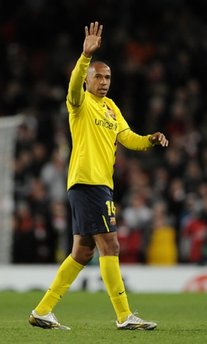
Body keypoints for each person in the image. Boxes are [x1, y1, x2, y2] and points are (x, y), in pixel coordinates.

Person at [29, 21, 169, 331]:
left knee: (82, 251)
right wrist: (85, 57)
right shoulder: (80, 104)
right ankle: (124, 315)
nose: (103, 82)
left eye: (107, 77)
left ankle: (43, 309)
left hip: (98, 185)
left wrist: (150, 139)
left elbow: (128, 137)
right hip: (87, 182)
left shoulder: (111, 108)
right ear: (89, 79)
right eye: (98, 77)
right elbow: (74, 83)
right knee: (111, 246)